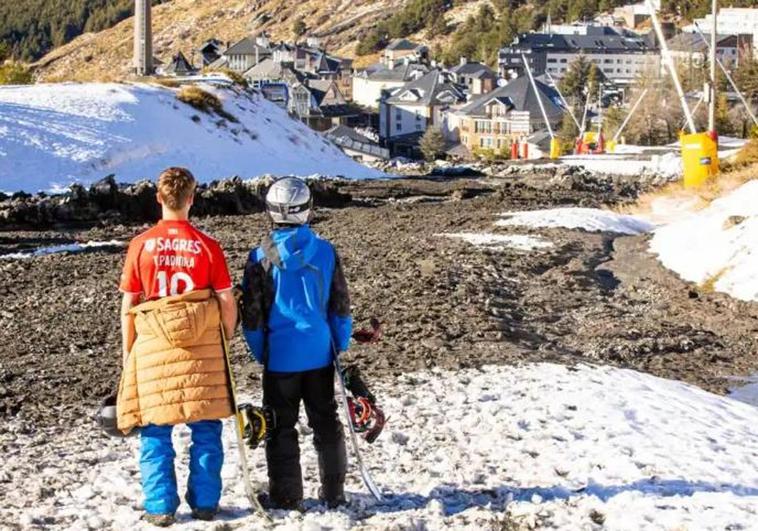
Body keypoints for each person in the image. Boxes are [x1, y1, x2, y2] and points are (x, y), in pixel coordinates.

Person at [117, 167, 238, 527]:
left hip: (153, 348)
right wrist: (225, 335)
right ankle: (204, 503)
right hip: (202, 346)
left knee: (154, 431)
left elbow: (129, 306)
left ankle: (160, 506)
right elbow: (227, 300)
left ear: (158, 197)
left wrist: (129, 354)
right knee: (206, 430)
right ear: (191, 198)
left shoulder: (140, 245)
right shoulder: (208, 246)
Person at [240, 177, 352, 510]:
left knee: (280, 427)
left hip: (280, 359)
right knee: (326, 423)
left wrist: (263, 354)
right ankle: (334, 492)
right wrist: (337, 344)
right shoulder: (326, 251)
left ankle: (286, 496)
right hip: (319, 353)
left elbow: (253, 318)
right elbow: (340, 307)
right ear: (306, 210)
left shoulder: (259, 257)